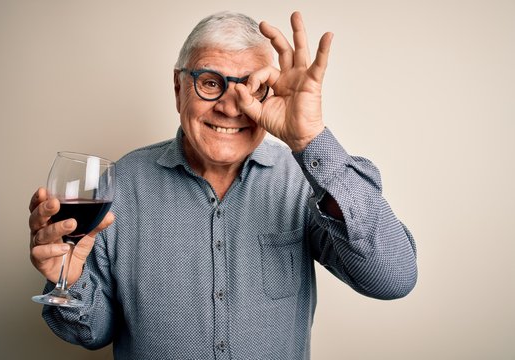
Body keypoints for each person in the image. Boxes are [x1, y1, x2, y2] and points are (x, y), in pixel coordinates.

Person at [29, 11, 417, 359]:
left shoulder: (306, 180)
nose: (232, 107)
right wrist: (70, 280)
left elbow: (393, 278)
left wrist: (310, 138)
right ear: (178, 86)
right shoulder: (123, 181)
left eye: (251, 87)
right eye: (210, 83)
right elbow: (93, 333)